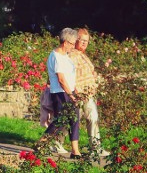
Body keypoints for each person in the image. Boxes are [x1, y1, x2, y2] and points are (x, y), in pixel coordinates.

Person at [41, 28, 82, 157]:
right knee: (61, 120)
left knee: (74, 119)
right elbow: (61, 79)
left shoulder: (65, 56)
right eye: (72, 43)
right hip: (60, 93)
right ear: (66, 42)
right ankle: (41, 143)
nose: (73, 46)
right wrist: (70, 94)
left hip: (69, 91)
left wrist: (74, 91)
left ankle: (75, 151)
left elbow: (69, 77)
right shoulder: (56, 56)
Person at [68, 28, 109, 157]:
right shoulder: (72, 55)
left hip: (88, 94)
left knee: (92, 117)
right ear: (76, 40)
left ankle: (95, 147)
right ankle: (55, 142)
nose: (85, 43)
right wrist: (75, 91)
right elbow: (69, 74)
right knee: (73, 120)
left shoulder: (83, 55)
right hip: (78, 93)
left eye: (87, 41)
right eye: (82, 40)